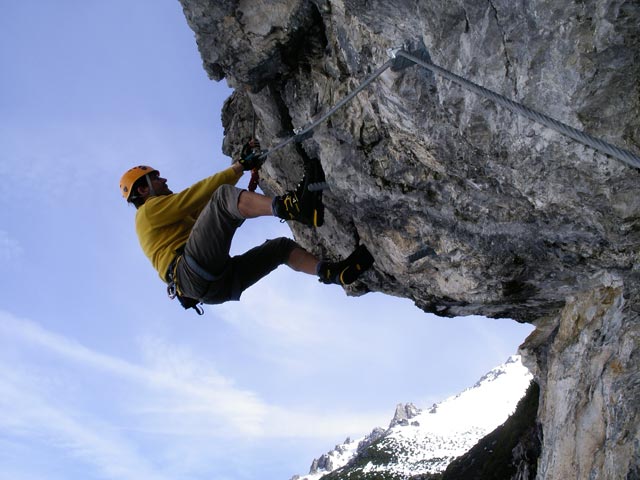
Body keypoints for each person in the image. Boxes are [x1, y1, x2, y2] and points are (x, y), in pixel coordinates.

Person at [119, 141, 374, 309]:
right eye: (156, 178)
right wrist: (239, 167)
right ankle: (294, 206)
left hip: (211, 289)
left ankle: (332, 273)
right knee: (221, 197)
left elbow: (214, 217)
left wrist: (244, 180)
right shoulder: (148, 213)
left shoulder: (167, 219)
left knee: (280, 248)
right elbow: (200, 196)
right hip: (190, 271)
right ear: (143, 189)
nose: (163, 179)